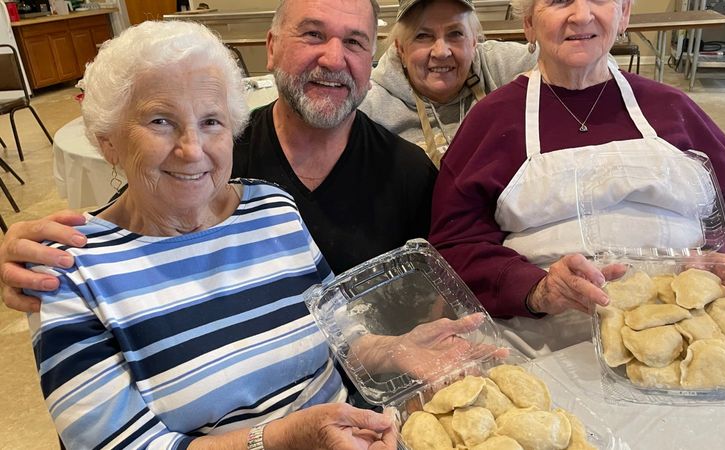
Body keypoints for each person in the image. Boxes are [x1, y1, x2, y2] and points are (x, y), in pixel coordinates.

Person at [25, 19, 491, 450]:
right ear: (108, 139)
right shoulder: (69, 268)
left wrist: (392, 347)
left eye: (211, 121)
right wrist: (280, 439)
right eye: (160, 121)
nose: (192, 150)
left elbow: (338, 332)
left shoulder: (270, 206)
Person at [0, 0, 437, 312]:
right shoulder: (209, 159)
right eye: (313, 34)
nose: (334, 57)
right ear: (271, 47)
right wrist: (46, 255)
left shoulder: (409, 173)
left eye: (356, 42)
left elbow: (430, 299)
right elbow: (131, 236)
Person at [427, 0, 725, 348]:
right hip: (546, 355)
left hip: (688, 339)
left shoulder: (674, 109)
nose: (581, 15)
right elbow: (455, 248)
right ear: (529, 24)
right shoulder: (491, 123)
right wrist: (536, 289)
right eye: (559, 1)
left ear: (623, 14)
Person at [359, 0, 535, 166]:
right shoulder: (368, 109)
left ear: (474, 42)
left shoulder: (501, 66)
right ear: (401, 49)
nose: (441, 52)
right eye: (422, 36)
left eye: (456, 34)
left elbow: (558, 58)